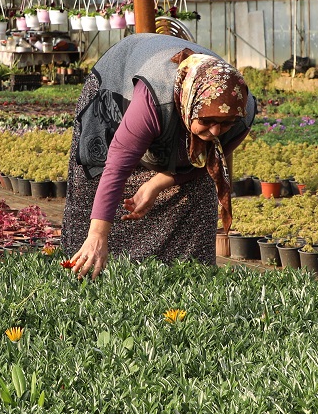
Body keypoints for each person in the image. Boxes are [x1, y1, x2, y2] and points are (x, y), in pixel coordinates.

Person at [64, 33, 255, 275]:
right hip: (118, 80)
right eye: (208, 121)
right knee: (95, 176)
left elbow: (207, 162)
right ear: (189, 104)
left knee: (196, 193)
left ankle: (184, 275)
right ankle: (92, 262)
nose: (216, 131)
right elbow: (116, 167)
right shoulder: (154, 100)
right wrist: (98, 235)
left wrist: (157, 184)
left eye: (225, 123)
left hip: (176, 97)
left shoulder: (241, 110)